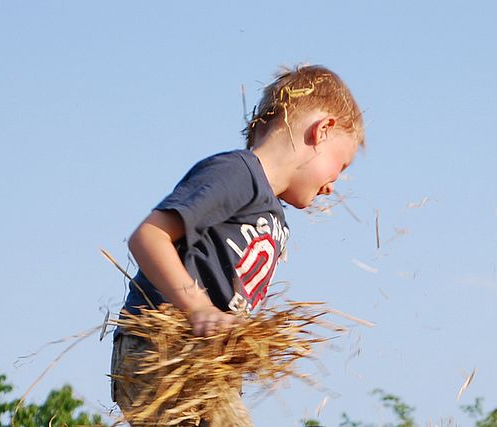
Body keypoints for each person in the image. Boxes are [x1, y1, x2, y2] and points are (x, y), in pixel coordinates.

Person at [110, 64, 364, 426]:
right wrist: (197, 307)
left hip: (204, 364)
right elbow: (149, 236)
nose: (332, 186)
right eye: (340, 165)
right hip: (163, 350)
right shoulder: (238, 173)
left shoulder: (270, 210)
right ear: (322, 131)